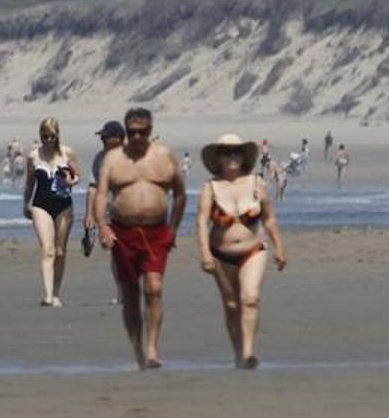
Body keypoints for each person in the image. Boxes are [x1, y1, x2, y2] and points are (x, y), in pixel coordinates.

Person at [93, 107, 187, 370]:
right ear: (126, 131)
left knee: (154, 288)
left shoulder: (164, 156)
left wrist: (173, 228)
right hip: (123, 232)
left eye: (142, 132)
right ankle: (137, 350)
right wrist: (102, 227)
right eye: (132, 132)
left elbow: (180, 193)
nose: (136, 137)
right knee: (132, 294)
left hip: (157, 233)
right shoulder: (113, 160)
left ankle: (152, 348)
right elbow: (101, 195)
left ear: (150, 130)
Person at [196, 134, 287, 369]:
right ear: (218, 158)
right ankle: (237, 350)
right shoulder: (211, 187)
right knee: (231, 305)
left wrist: (279, 248)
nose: (232, 157)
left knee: (250, 299)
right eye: (227, 152)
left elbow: (269, 219)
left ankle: (248, 352)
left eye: (236, 152)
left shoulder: (257, 183)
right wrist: (205, 253)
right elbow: (202, 221)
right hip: (221, 254)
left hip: (253, 251)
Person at [23, 118, 80, 307]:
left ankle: (56, 293)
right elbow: (30, 183)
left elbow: (77, 175)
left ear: (57, 135)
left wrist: (71, 181)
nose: (48, 140)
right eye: (44, 136)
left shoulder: (67, 153)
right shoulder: (33, 157)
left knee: (60, 251)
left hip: (64, 205)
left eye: (51, 136)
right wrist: (26, 204)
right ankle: (47, 295)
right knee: (47, 250)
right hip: (41, 205)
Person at [83, 121, 125, 303]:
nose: (102, 139)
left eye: (106, 136)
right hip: (111, 212)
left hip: (134, 210)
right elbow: (93, 187)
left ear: (118, 138)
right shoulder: (99, 158)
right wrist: (89, 214)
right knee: (116, 252)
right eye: (101, 136)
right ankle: (122, 292)